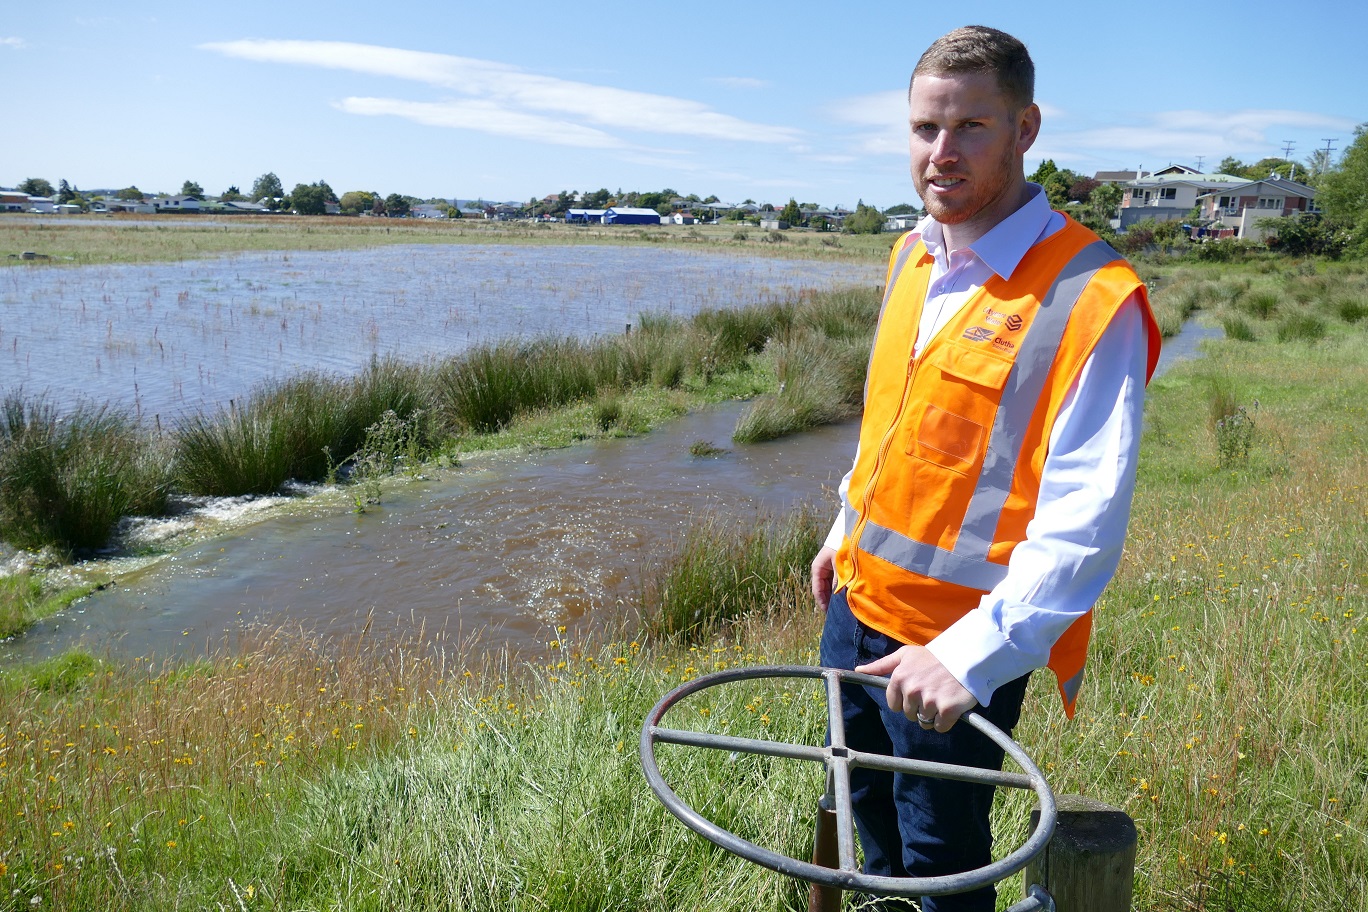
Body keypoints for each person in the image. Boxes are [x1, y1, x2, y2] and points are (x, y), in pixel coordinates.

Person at [809, 25, 1160, 912]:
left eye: (970, 126)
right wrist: (846, 524)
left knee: (940, 863)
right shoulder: (913, 252)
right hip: (853, 614)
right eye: (926, 129)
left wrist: (971, 658)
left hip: (950, 652)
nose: (941, 153)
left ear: (1025, 127)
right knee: (861, 827)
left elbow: (1085, 522)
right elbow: (896, 420)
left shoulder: (1090, 297)